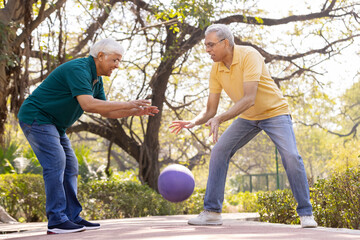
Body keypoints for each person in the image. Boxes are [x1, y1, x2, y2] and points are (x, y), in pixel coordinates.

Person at [170, 24, 317, 228]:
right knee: (219, 151)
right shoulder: (216, 69)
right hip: (248, 117)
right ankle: (212, 211)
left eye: (211, 45)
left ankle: (306, 213)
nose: (207, 50)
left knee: (291, 157)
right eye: (206, 46)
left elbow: (249, 98)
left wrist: (220, 119)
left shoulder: (249, 55)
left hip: (275, 113)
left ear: (226, 43)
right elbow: (210, 109)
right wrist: (194, 121)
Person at [18, 38, 159, 234]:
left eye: (119, 61)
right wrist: (128, 103)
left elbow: (105, 111)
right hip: (37, 117)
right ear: (100, 56)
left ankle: (71, 217)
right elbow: (88, 104)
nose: (117, 66)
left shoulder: (96, 79)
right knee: (56, 162)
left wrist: (134, 111)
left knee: (71, 165)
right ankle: (57, 220)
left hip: (55, 125)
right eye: (115, 60)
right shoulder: (79, 69)